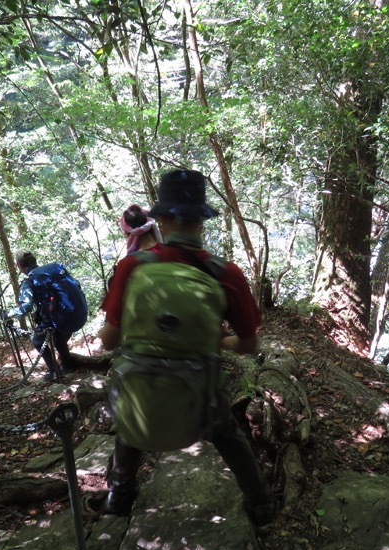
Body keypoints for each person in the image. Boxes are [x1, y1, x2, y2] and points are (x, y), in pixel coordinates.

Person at [99, 168, 276, 526]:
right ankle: (261, 505)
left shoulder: (132, 266)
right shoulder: (225, 273)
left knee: (128, 427)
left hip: (141, 395)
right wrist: (215, 341)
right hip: (201, 403)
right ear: (201, 220)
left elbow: (108, 340)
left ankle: (120, 496)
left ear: (160, 218)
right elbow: (249, 343)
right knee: (227, 434)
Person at [8, 251, 86, 382]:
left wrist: (8, 313)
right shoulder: (56, 267)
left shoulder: (29, 281)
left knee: (37, 340)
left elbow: (25, 307)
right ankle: (67, 365)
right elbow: (77, 284)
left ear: (19, 264)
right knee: (58, 339)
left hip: (61, 321)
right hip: (80, 314)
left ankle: (55, 372)